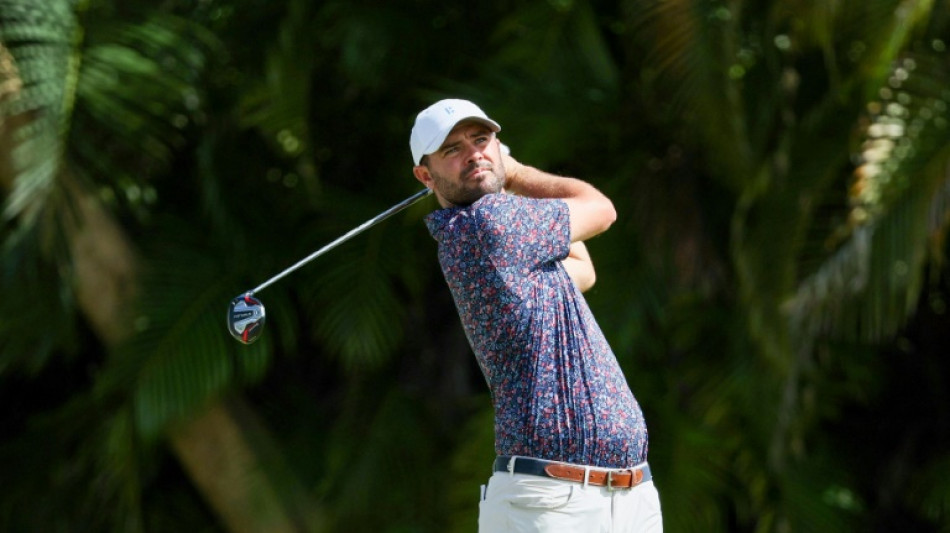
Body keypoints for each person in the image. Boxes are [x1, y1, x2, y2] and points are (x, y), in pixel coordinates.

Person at [410, 98, 662, 532]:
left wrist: (502, 181)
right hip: (552, 503)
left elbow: (582, 270)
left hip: (624, 498)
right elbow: (601, 209)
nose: (474, 153)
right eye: (452, 150)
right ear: (425, 175)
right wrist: (514, 171)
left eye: (482, 139)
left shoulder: (501, 234)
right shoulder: (487, 224)